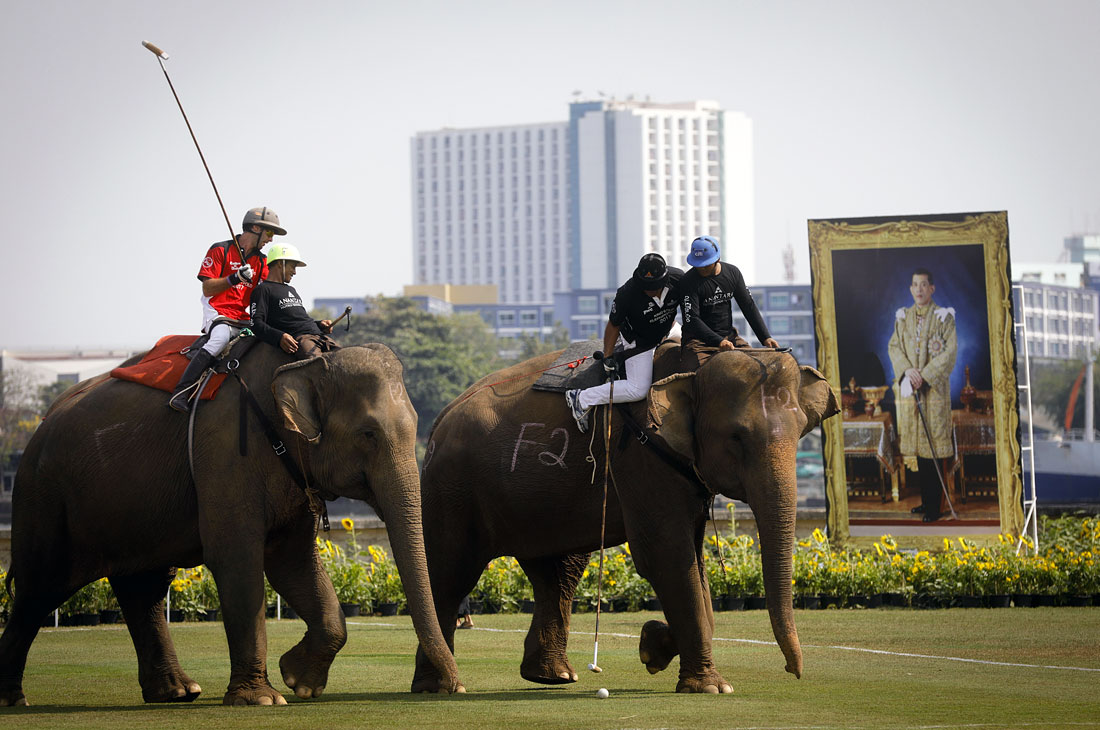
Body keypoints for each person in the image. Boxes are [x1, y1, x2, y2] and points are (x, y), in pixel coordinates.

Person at [168, 206, 285, 412]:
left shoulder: (261, 261)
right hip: (218, 313)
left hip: (242, 317)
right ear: (255, 228)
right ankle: (181, 392)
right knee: (220, 339)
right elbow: (207, 288)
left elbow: (269, 289)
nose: (271, 239)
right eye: (269, 233)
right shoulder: (220, 249)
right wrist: (235, 278)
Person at [565, 253, 683, 433]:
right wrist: (608, 356)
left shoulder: (679, 278)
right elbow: (613, 325)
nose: (648, 290)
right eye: (645, 285)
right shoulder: (626, 293)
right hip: (638, 341)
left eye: (652, 286)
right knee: (638, 390)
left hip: (669, 329)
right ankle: (582, 399)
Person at [887, 267, 957, 522]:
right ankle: (926, 501)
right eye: (915, 285)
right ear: (911, 288)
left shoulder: (944, 318)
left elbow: (950, 353)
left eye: (923, 284)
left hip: (933, 392)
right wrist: (908, 371)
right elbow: (894, 346)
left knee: (933, 450)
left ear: (931, 288)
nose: (919, 289)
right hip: (910, 391)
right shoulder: (902, 317)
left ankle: (934, 507)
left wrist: (923, 375)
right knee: (918, 449)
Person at [679, 235, 779, 370]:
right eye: (698, 265)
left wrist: (765, 337)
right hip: (698, 342)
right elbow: (692, 320)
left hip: (729, 338)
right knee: (700, 376)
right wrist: (718, 341)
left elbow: (748, 306)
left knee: (756, 368)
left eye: (706, 265)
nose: (701, 269)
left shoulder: (733, 273)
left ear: (717, 259)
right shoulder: (688, 282)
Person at [249, 243, 339, 359]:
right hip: (302, 340)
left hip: (320, 336)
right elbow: (256, 324)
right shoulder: (262, 290)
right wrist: (279, 337)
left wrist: (319, 324)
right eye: (293, 266)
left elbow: (297, 321)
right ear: (281, 264)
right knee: (319, 367)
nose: (295, 272)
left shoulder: (291, 289)